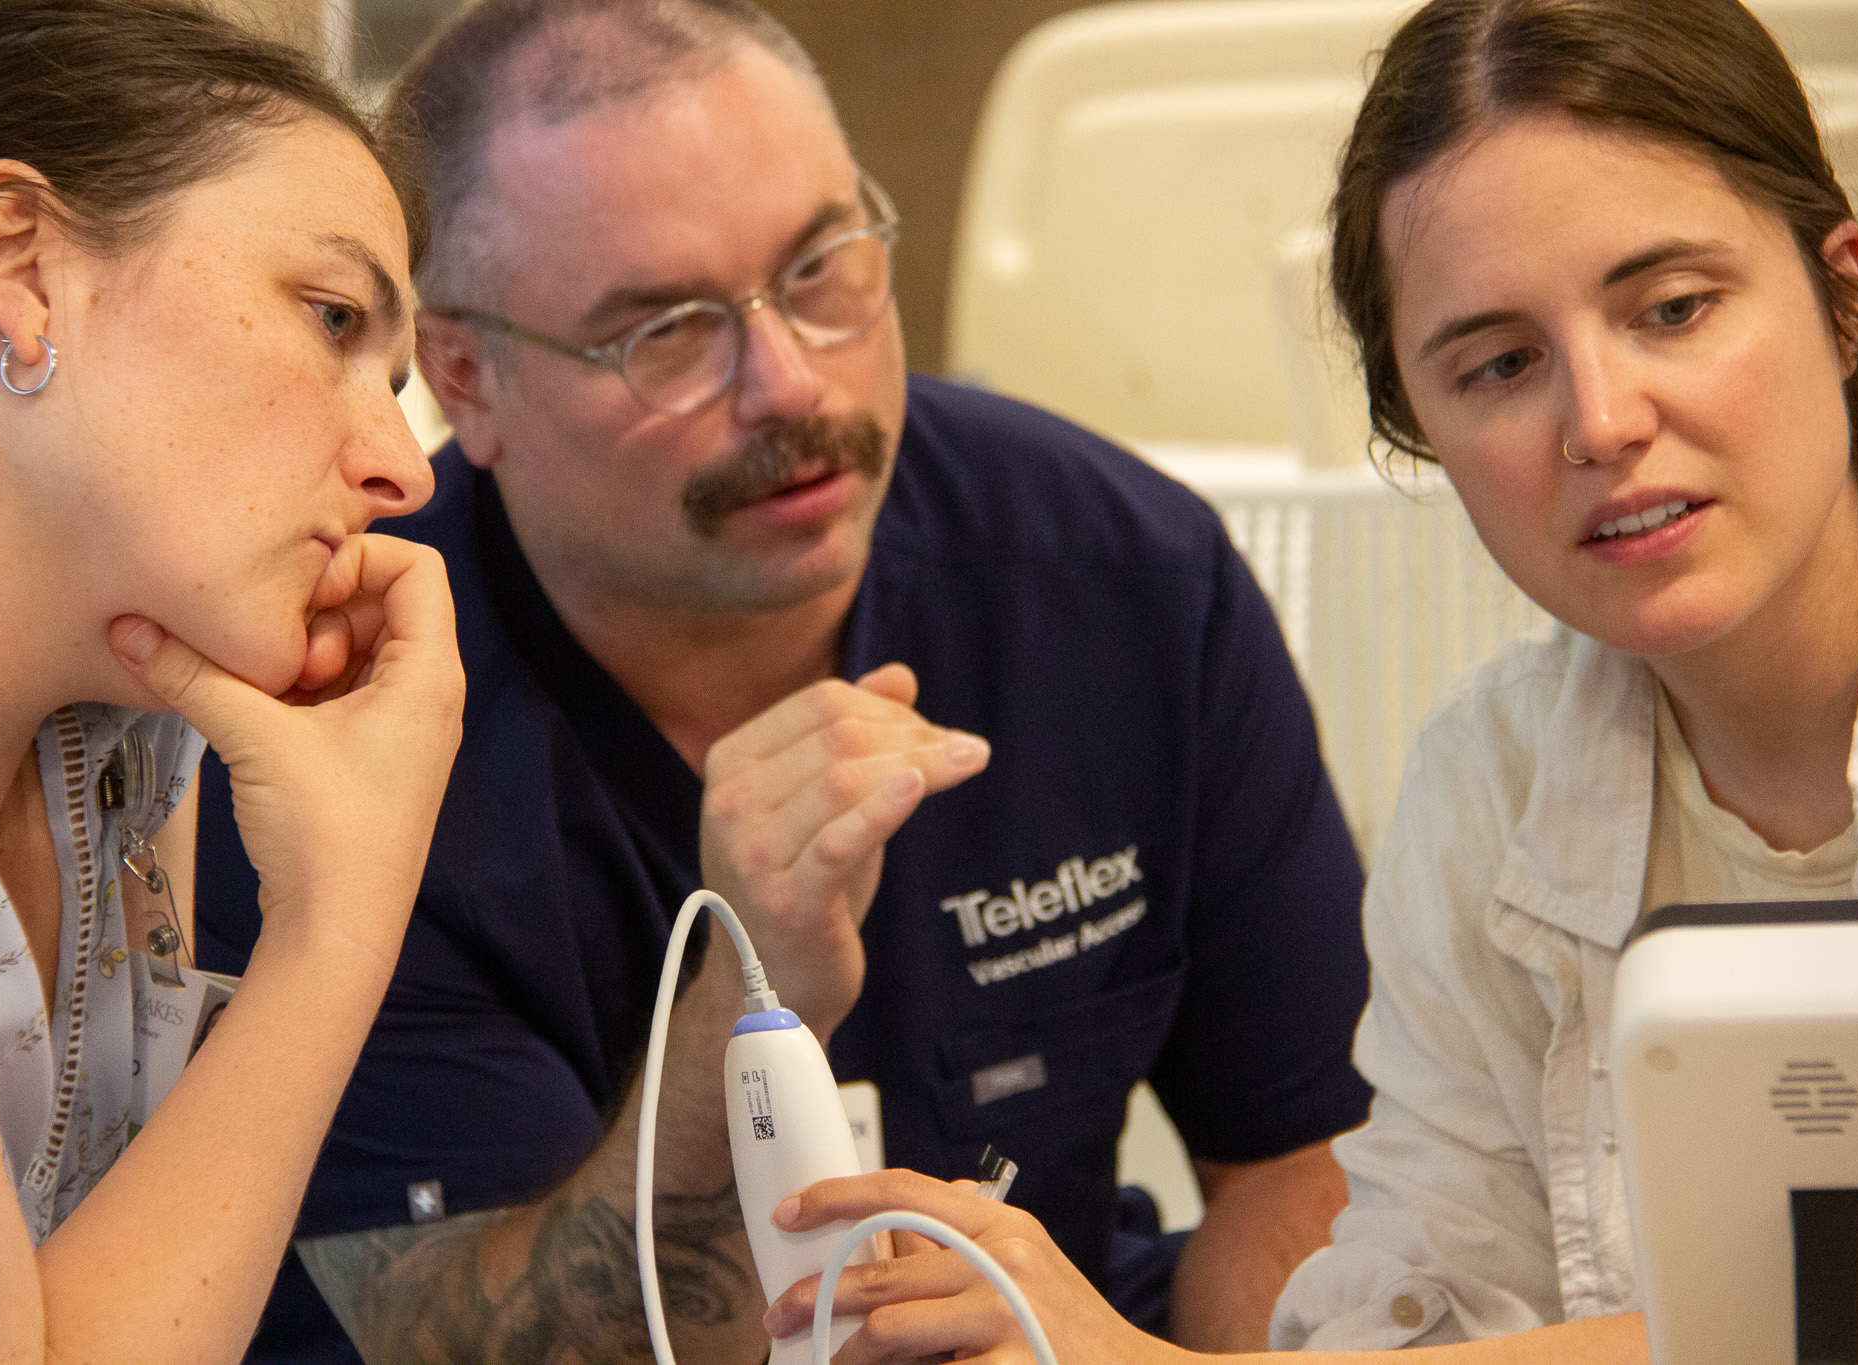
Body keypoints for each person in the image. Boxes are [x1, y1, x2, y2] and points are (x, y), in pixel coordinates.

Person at [187, 1, 1376, 1360]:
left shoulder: (1117, 576)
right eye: (665, 331)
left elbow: (1302, 1162)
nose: (790, 383)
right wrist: (746, 1012)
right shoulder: (336, 711)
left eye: (820, 267)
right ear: (465, 378)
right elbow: (446, 1339)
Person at [755, 0, 1858, 1358]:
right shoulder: (1490, 792)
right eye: (1501, 364)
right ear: (1421, 426)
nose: (1601, 421)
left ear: (1842, 293)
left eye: (1675, 307)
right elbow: (1416, 1317)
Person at [0, 1, 465, 1361]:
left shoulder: (120, 745)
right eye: (334, 314)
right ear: (18, 260)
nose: (406, 468)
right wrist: (336, 924)